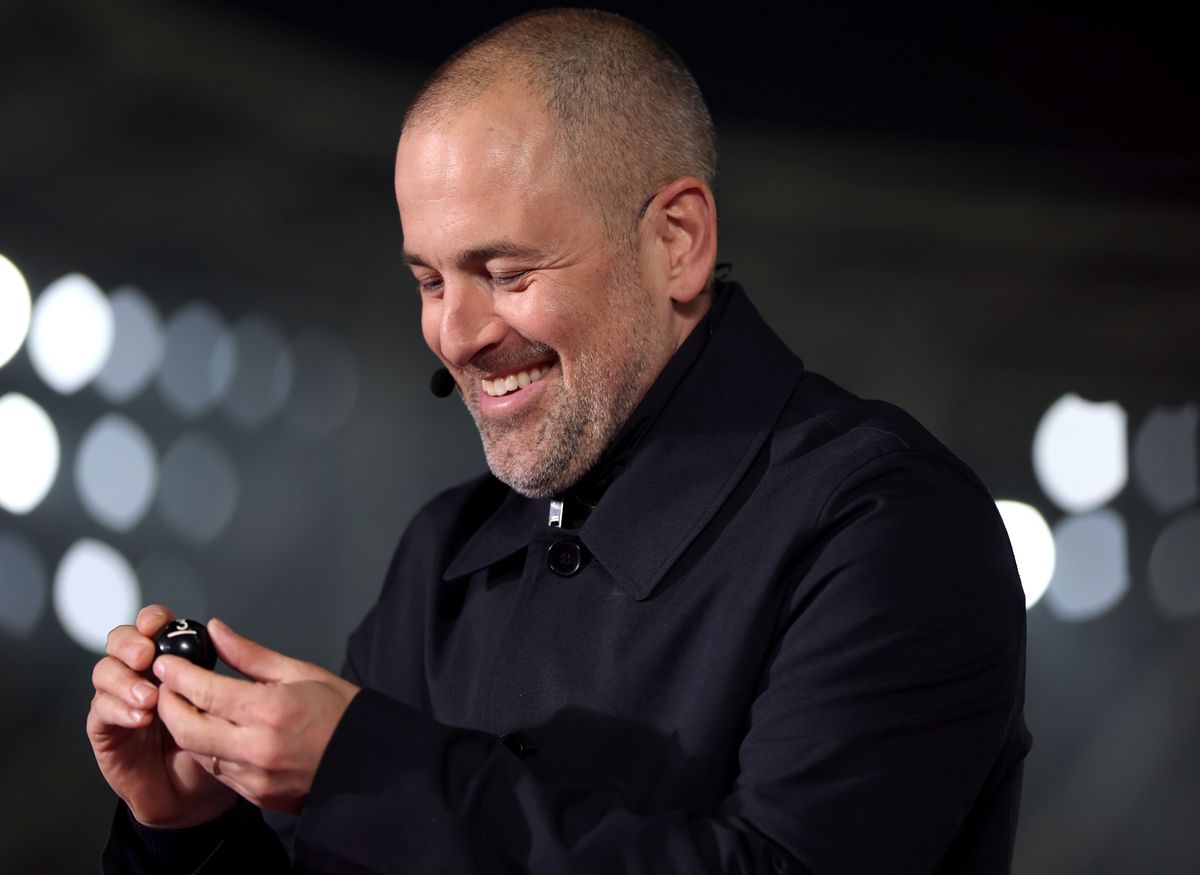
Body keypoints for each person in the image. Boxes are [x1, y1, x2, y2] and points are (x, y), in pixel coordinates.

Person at [89, 9, 1031, 873]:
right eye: (429, 280)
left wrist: (376, 774)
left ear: (677, 241)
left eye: (503, 270)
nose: (455, 334)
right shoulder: (444, 553)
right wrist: (190, 830)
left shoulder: (890, 525)